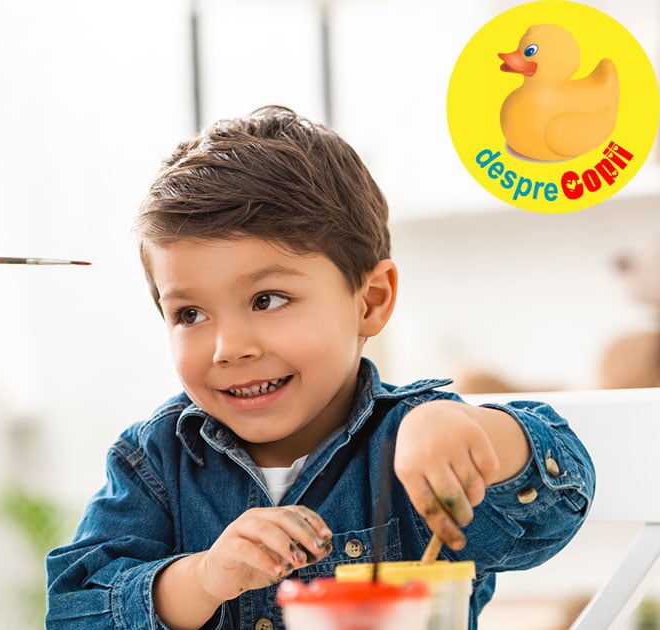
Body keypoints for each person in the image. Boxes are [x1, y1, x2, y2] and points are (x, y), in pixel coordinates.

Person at [45, 106, 595, 629]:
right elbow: (76, 609)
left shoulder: (413, 442)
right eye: (190, 313)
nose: (227, 348)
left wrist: (480, 437)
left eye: (268, 299)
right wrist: (204, 579)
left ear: (370, 300)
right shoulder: (157, 462)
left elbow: (558, 503)